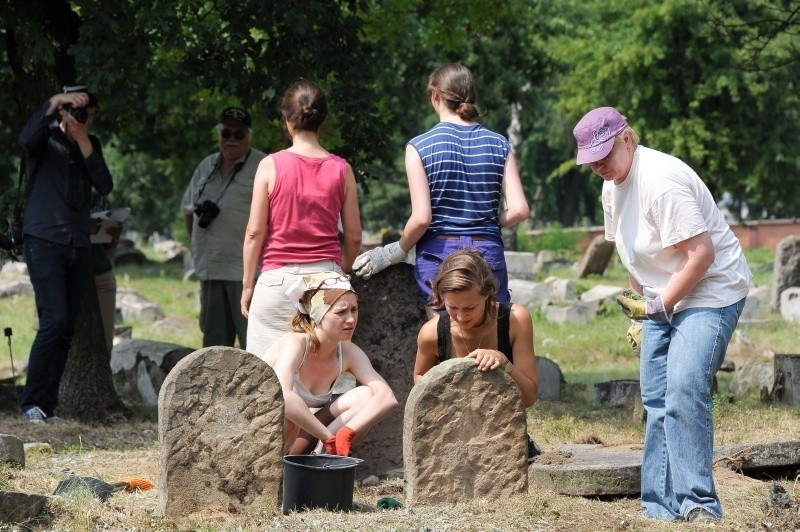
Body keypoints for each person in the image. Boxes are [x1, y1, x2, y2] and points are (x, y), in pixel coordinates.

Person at [572, 106, 751, 523]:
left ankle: (698, 506)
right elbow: (633, 257)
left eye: (605, 154)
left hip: (711, 290)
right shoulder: (611, 186)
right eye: (591, 159)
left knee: (685, 388)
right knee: (656, 397)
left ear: (627, 139)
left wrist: (657, 305)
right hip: (661, 295)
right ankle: (659, 506)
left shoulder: (660, 181)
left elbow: (701, 255)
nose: (598, 165)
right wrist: (642, 313)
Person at [353, 63, 529, 318]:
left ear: (436, 96)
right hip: (487, 251)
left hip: (439, 254)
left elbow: (422, 218)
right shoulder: (499, 144)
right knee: (491, 344)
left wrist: (394, 251)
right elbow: (520, 210)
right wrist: (489, 222)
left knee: (444, 339)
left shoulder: (419, 147)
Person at [242, 79, 362, 357]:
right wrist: (338, 270)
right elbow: (354, 235)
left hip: (276, 281)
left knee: (266, 377)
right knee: (327, 377)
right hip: (325, 281)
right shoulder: (342, 170)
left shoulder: (269, 165)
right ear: (324, 120)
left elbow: (253, 233)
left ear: (286, 119)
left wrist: (248, 285)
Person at [18, 86, 113, 423]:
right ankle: (31, 401)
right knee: (54, 320)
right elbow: (24, 140)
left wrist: (84, 138)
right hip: (44, 239)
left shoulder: (90, 144)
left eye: (85, 112)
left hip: (78, 244)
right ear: (61, 110)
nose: (79, 116)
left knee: (66, 327)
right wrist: (56, 101)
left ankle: (46, 406)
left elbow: (104, 185)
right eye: (74, 110)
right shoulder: (44, 139)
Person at [412, 249, 541, 463]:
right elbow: (420, 382)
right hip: (451, 437)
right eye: (452, 307)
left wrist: (504, 363)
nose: (461, 317)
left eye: (470, 308)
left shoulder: (515, 320)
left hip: (503, 435)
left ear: (488, 293)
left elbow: (528, 398)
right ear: (441, 298)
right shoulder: (431, 333)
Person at [262, 272, 398, 455]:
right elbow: (283, 396)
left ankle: (322, 460)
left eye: (354, 309)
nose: (351, 319)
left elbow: (387, 398)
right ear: (318, 315)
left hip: (309, 437)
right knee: (289, 415)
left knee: (366, 395)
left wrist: (347, 433)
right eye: (341, 312)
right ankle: (278, 474)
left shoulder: (348, 351)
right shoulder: (295, 343)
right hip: (267, 436)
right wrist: (327, 436)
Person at [181, 106, 266, 349]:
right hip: (211, 268)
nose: (231, 140)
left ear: (249, 136)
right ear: (218, 134)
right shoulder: (206, 166)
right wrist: (196, 247)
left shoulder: (263, 164)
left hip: (248, 273)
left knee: (255, 344)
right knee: (215, 346)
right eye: (226, 133)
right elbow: (188, 211)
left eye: (238, 134)